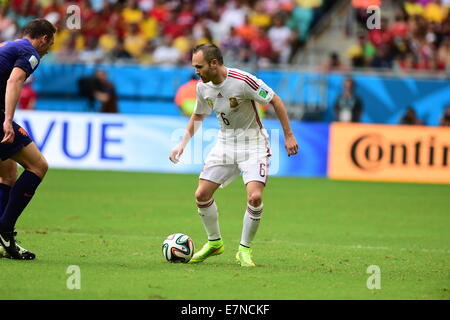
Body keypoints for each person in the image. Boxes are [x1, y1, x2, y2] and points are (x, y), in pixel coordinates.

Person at [169, 44, 298, 267]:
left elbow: (276, 101)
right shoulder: (202, 88)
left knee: (254, 197)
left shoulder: (243, 80)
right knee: (201, 194)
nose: (196, 71)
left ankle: (244, 250)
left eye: (199, 66)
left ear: (214, 63)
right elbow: (198, 115)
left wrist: (288, 135)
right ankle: (214, 243)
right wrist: (182, 143)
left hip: (253, 145)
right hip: (225, 144)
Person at [0, 18, 55, 260]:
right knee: (38, 166)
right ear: (43, 38)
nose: (50, 47)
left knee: (8, 174)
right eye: (50, 42)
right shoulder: (30, 52)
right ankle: (4, 232)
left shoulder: (7, 45)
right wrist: (8, 120)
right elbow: (14, 80)